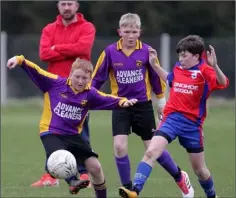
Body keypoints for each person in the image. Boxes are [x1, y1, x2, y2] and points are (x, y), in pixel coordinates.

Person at [91, 13, 193, 197]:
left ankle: (180, 177)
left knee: (154, 150)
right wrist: (88, 98)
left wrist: (161, 101)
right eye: (127, 31)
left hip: (143, 106)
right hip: (120, 105)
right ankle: (129, 189)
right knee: (119, 147)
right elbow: (97, 79)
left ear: (139, 32)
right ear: (119, 31)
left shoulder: (147, 51)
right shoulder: (110, 52)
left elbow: (156, 78)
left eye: (134, 31)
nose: (130, 35)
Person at [7, 55, 138, 197]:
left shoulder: (90, 94)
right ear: (71, 74)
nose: (80, 81)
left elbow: (107, 98)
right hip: (51, 131)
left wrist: (123, 102)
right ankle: (73, 181)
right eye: (77, 77)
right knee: (60, 156)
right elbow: (37, 71)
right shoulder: (55, 83)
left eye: (85, 78)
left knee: (95, 167)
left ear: (89, 79)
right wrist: (20, 60)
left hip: (73, 135)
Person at [119, 35, 229, 198]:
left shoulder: (205, 71)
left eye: (184, 55)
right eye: (180, 55)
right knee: (151, 152)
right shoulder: (178, 68)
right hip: (171, 118)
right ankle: (135, 190)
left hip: (192, 125)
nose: (181, 59)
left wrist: (215, 66)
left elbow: (223, 82)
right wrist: (155, 65)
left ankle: (212, 195)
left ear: (196, 56)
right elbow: (170, 79)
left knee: (200, 170)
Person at [32, 0, 96, 187]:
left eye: (70, 3)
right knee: (51, 131)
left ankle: (84, 173)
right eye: (63, 3)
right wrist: (70, 49)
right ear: (58, 6)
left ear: (77, 6)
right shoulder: (49, 29)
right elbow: (44, 54)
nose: (66, 7)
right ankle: (51, 175)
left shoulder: (87, 27)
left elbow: (82, 49)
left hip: (80, 88)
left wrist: (57, 48)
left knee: (80, 130)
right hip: (55, 89)